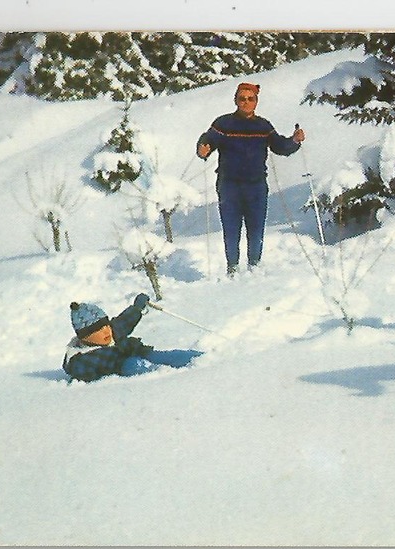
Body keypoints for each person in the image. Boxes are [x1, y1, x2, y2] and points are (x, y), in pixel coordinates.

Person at [196, 82, 305, 275]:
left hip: (256, 187)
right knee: (231, 229)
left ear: (256, 101)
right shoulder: (223, 124)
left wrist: (294, 141)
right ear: (236, 101)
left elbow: (280, 146)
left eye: (250, 99)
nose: (246, 102)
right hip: (229, 186)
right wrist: (203, 147)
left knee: (256, 230)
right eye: (242, 99)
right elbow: (208, 139)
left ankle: (254, 267)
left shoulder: (263, 126)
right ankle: (233, 268)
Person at [63, 294, 203, 382]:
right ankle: (169, 380)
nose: (106, 331)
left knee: (164, 356)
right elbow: (83, 370)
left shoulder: (110, 333)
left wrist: (136, 308)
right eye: (98, 330)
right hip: (122, 367)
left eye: (106, 326)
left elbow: (123, 322)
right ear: (85, 337)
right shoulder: (80, 358)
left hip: (135, 353)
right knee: (138, 365)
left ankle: (202, 359)